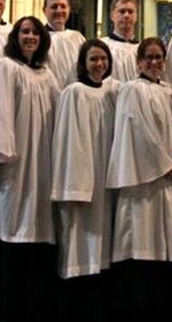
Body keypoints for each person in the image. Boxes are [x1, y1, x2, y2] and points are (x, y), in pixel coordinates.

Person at [0, 15, 60, 321]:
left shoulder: (47, 76)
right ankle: (3, 302)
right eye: (24, 32)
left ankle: (32, 302)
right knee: (7, 222)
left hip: (40, 167)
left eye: (35, 32)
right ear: (15, 37)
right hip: (11, 166)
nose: (30, 37)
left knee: (35, 226)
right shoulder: (3, 68)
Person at [106, 37, 172, 319]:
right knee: (139, 241)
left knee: (163, 243)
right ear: (139, 61)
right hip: (141, 180)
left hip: (166, 177)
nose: (154, 62)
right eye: (149, 57)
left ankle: (160, 303)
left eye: (159, 57)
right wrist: (162, 164)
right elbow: (137, 131)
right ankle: (136, 304)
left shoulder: (170, 93)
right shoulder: (131, 90)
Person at [52, 39, 120, 321]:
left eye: (103, 59)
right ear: (83, 63)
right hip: (82, 177)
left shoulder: (114, 91)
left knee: (105, 238)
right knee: (81, 238)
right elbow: (68, 142)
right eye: (93, 59)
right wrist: (76, 184)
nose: (99, 64)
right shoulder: (73, 93)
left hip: (107, 173)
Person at [42, 0, 85, 87]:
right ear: (44, 10)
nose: (59, 11)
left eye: (63, 6)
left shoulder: (77, 37)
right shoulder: (40, 38)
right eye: (54, 7)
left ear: (69, 9)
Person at [101, 0, 140, 82]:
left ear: (136, 16)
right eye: (122, 11)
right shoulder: (103, 46)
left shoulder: (142, 49)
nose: (126, 15)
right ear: (112, 15)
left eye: (130, 12)